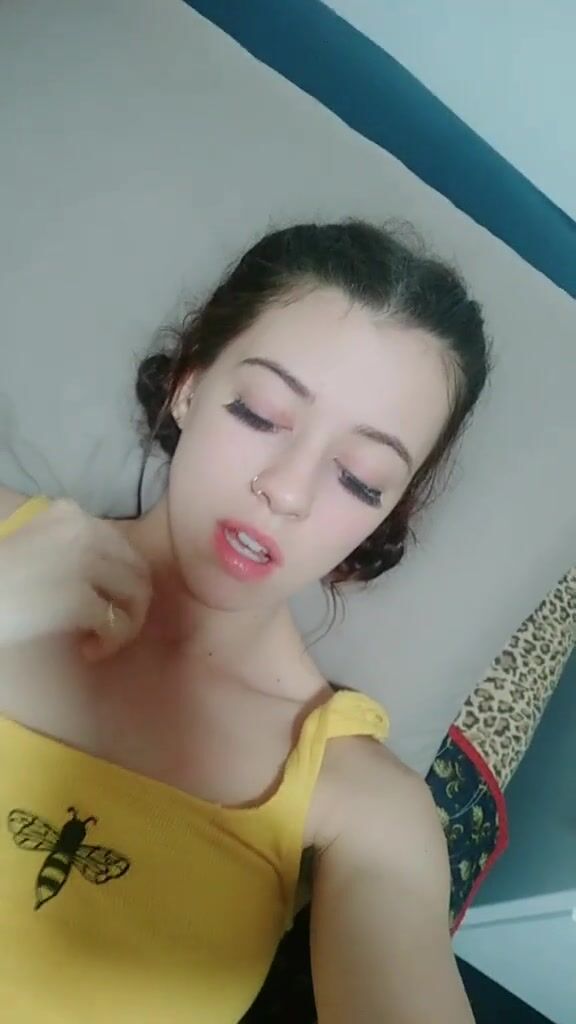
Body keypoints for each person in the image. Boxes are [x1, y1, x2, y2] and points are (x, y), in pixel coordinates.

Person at [0, 220, 490, 1023]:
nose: (286, 491)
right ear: (190, 385)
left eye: (359, 479)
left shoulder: (366, 804)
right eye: (262, 414)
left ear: (385, 515)